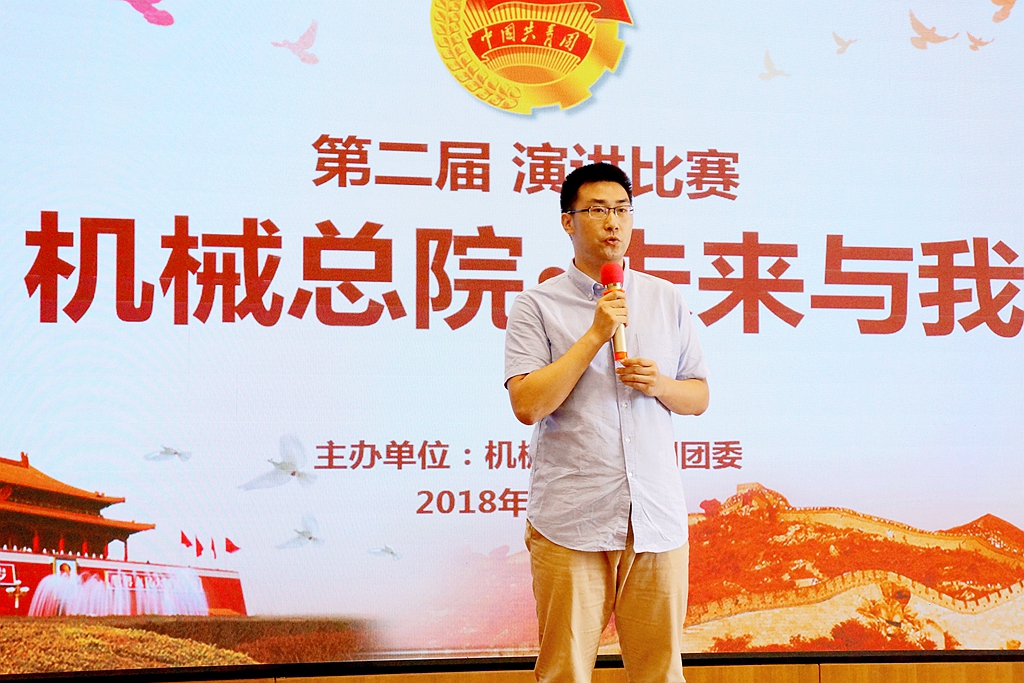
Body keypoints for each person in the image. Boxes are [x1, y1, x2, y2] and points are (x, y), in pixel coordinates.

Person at [504, 162, 709, 683]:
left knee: (661, 674)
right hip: (573, 521)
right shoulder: (536, 305)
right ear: (568, 221)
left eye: (622, 209)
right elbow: (528, 404)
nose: (613, 222)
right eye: (597, 210)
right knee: (565, 673)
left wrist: (660, 385)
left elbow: (698, 395)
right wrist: (595, 334)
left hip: (655, 520)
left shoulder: (666, 298)